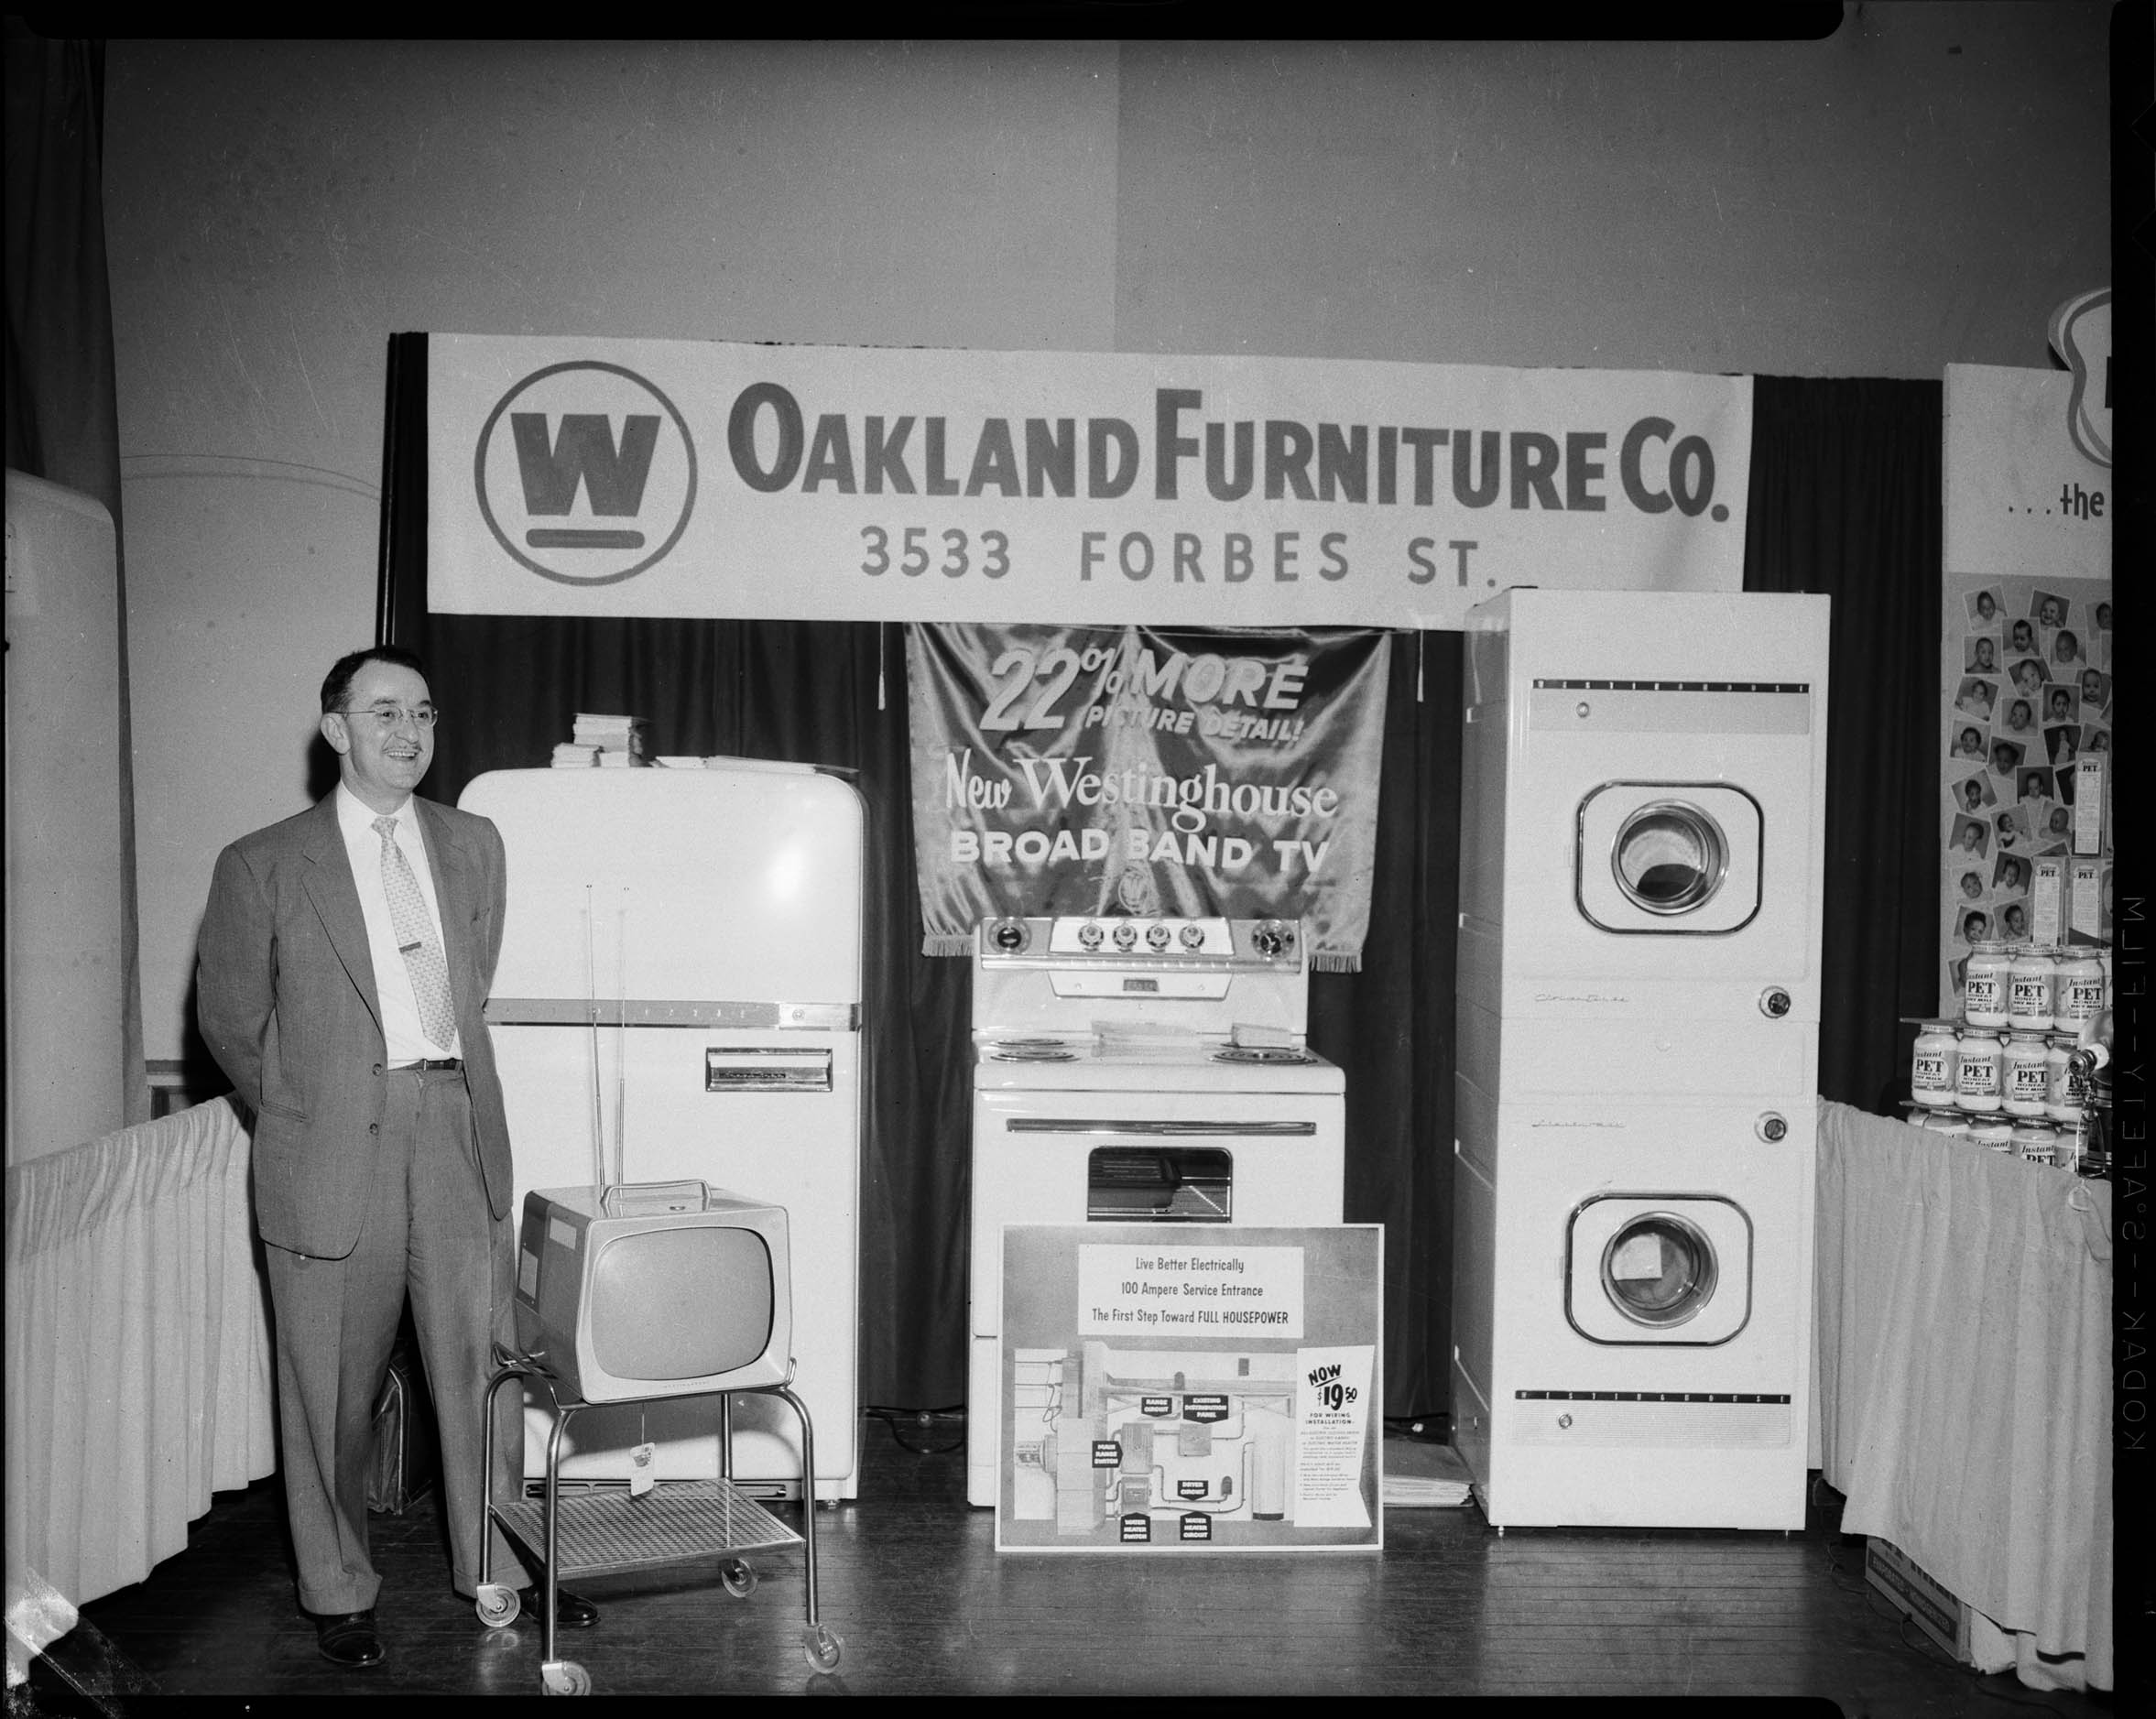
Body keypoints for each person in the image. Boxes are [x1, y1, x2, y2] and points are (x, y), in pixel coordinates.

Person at [196, 646, 599, 1669]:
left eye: (421, 710)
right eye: (383, 712)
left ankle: (496, 1564)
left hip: (454, 1127)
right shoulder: (262, 862)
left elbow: (471, 982)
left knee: (482, 1365)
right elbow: (232, 1024)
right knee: (329, 1384)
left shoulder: (474, 844)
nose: (408, 730)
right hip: (332, 1144)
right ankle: (338, 1588)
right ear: (335, 729)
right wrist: (308, 1109)